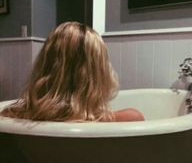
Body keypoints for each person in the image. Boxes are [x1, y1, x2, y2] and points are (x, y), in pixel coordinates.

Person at [0, 22, 144, 122]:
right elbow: (136, 117)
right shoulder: (127, 118)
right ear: (98, 73)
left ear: (46, 65)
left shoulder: (11, 116)